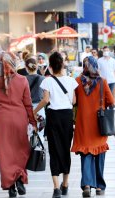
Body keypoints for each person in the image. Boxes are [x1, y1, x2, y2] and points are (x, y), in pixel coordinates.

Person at [0, 52, 37, 197]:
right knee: (21, 151)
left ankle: (10, 186)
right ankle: (20, 178)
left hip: (2, 121)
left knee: (5, 154)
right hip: (20, 119)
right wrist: (32, 121)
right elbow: (28, 104)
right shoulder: (22, 80)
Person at [34, 52, 78, 197]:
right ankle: (65, 184)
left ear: (51, 67)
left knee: (54, 151)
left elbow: (46, 100)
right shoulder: (71, 81)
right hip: (66, 117)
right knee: (65, 149)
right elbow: (73, 101)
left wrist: (34, 111)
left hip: (53, 117)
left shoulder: (47, 81)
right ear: (63, 64)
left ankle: (56, 188)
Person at [72, 56, 115, 197]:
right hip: (99, 124)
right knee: (99, 155)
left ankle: (86, 184)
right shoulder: (102, 82)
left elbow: (73, 102)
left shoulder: (78, 81)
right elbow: (111, 101)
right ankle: (99, 186)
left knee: (86, 154)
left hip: (83, 124)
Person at [25, 57, 46, 137]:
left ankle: (28, 148)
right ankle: (39, 147)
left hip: (27, 108)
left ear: (26, 68)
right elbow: (46, 95)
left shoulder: (23, 79)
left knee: (28, 131)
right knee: (40, 131)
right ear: (36, 66)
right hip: (40, 108)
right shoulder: (42, 78)